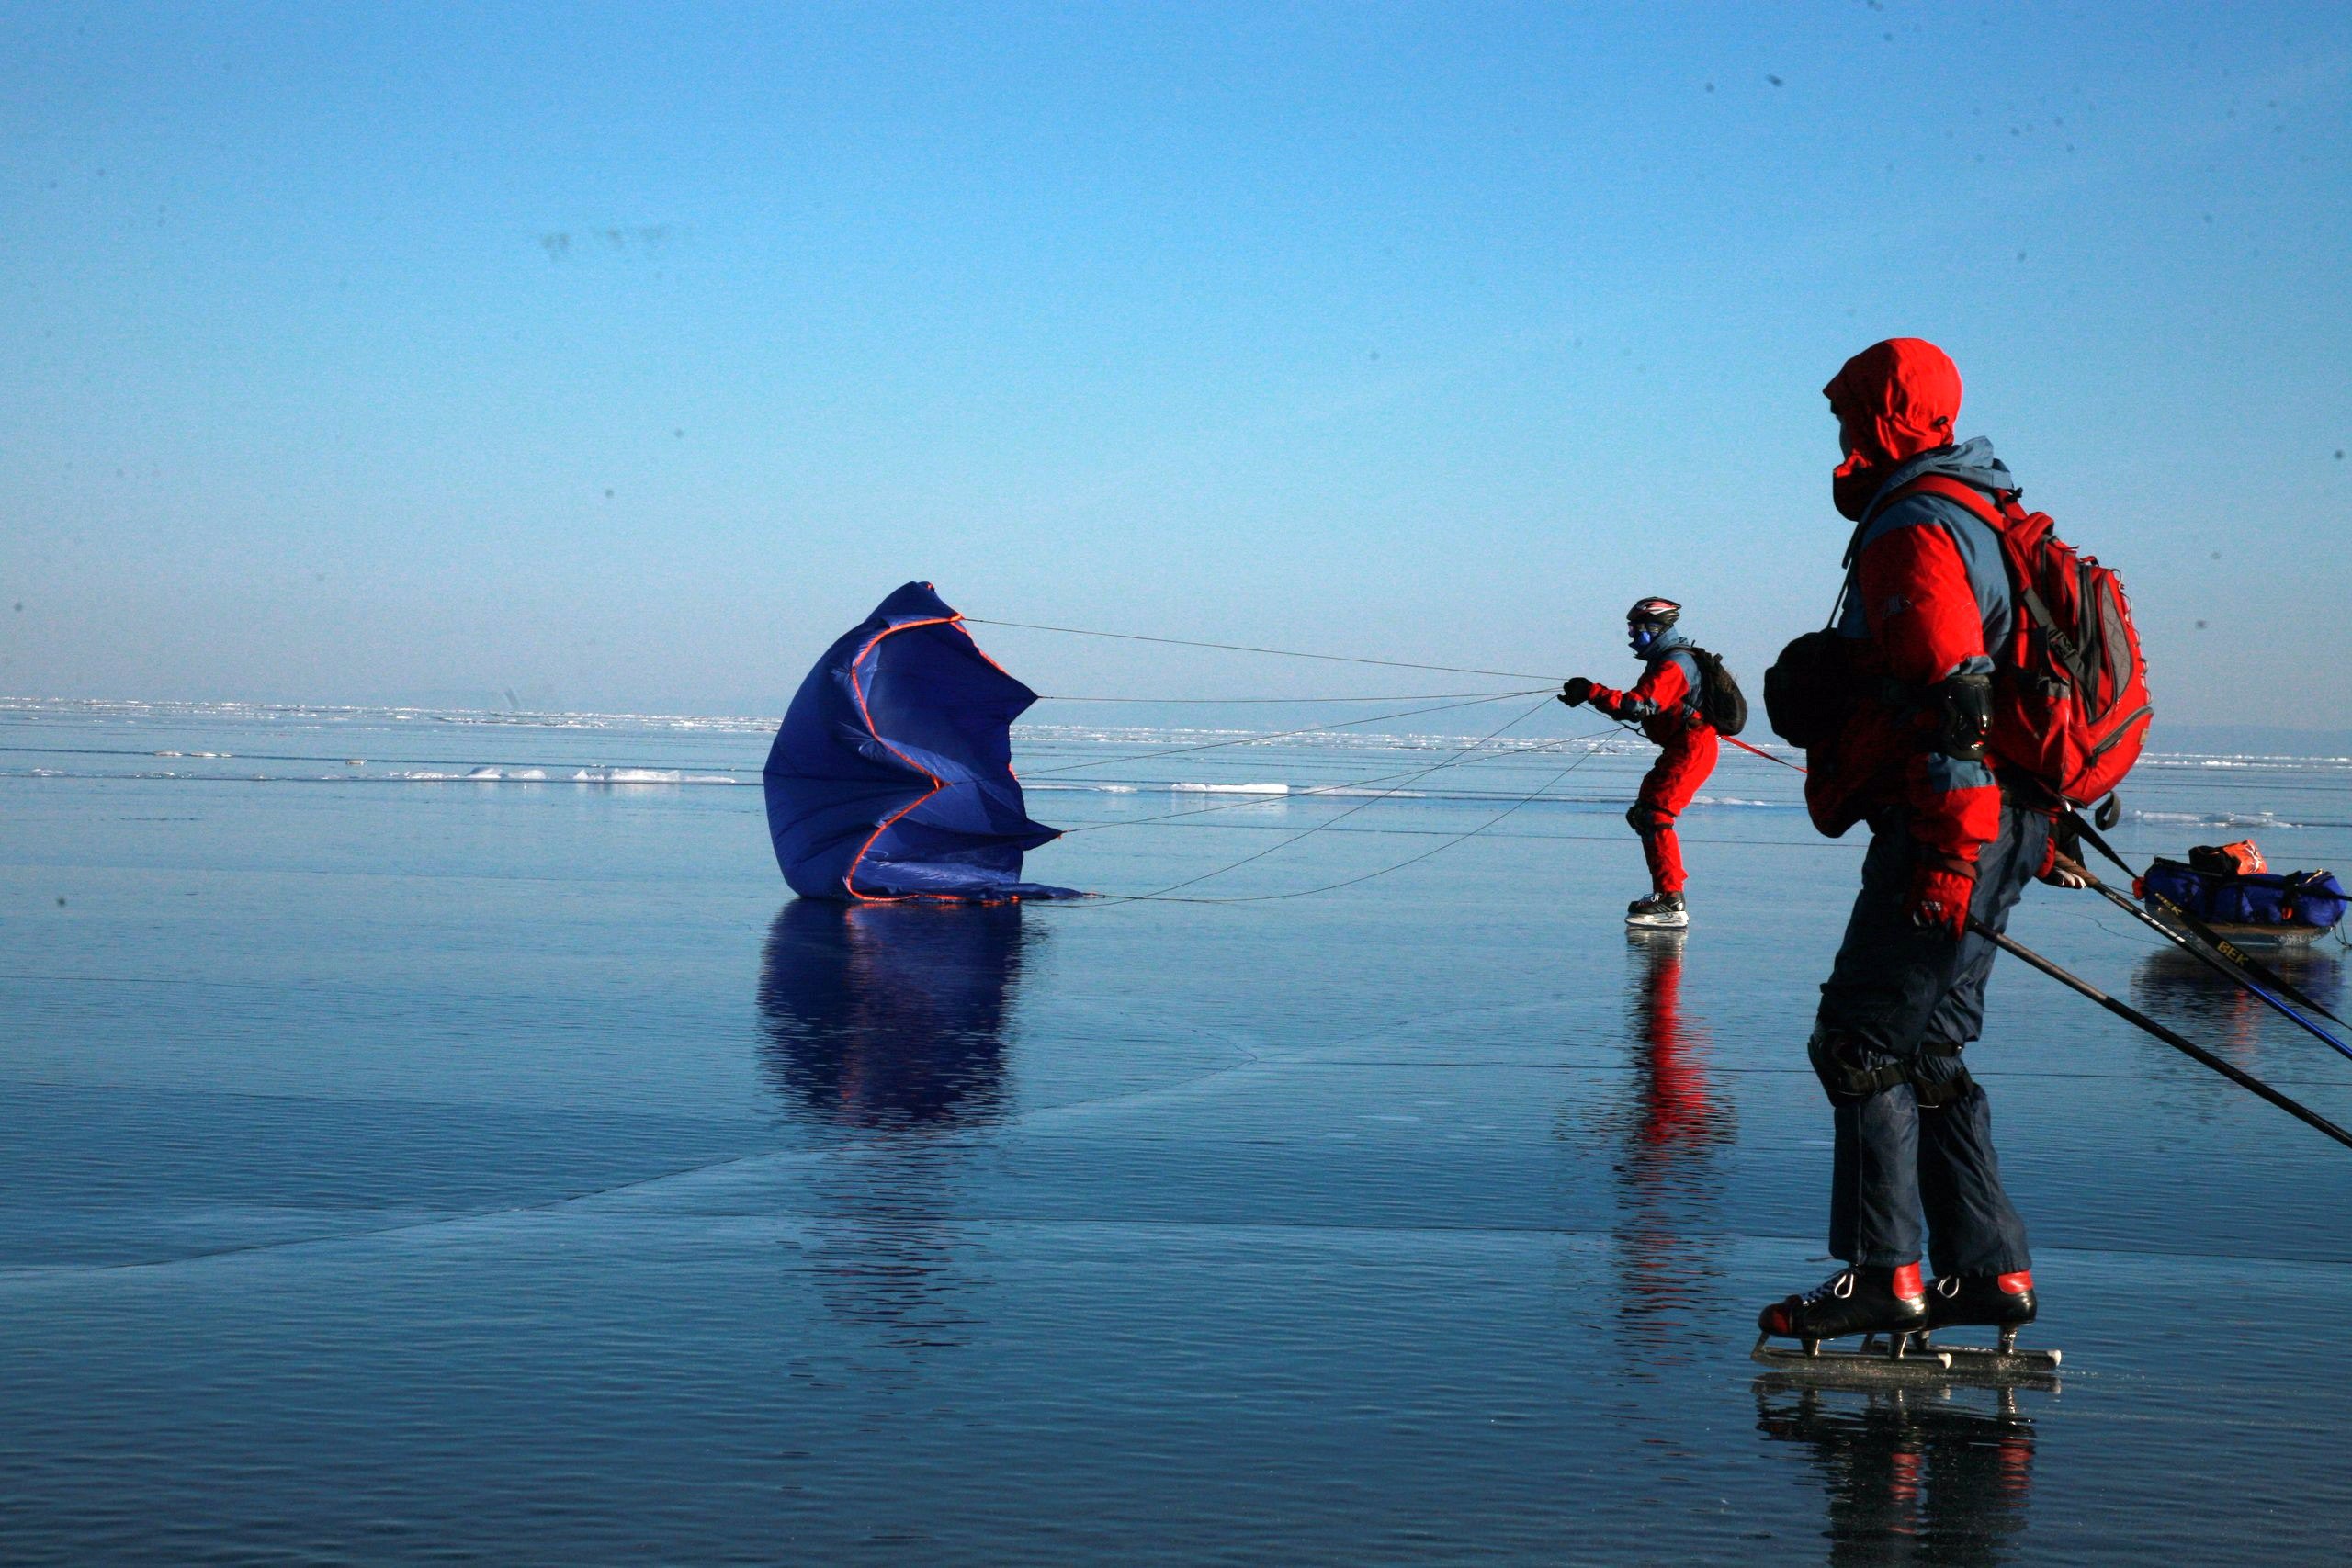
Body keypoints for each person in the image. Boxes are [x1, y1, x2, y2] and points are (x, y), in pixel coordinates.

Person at [1757, 338, 2081, 1350]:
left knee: (1859, 1042)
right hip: (2002, 817)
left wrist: (1948, 854)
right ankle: (1988, 1273)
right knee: (1930, 1048)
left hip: (1954, 820)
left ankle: (1883, 1276)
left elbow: (1954, 699)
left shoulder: (1915, 524)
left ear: (1882, 416)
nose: (1840, 434)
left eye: (1848, 414)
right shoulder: (1981, 510)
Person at [1560, 598, 1720, 929]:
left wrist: (1592, 691)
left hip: (1692, 746)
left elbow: (1638, 705)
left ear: (1654, 628)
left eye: (1636, 628)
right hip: (1681, 746)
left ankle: (1671, 900)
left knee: (1656, 814)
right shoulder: (1667, 660)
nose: (1632, 635)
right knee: (1644, 814)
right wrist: (1589, 694)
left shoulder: (1674, 663)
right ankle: (1667, 892)